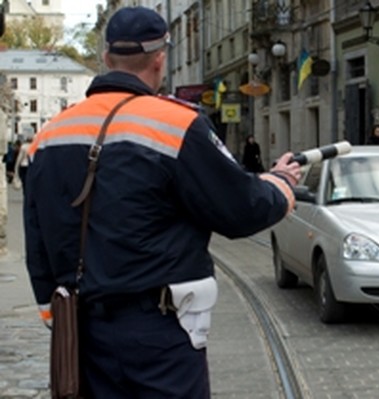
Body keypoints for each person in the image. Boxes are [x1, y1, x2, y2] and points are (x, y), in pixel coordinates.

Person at [23, 6, 301, 399]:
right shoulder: (175, 124)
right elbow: (241, 209)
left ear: (106, 57)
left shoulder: (49, 135)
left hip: (82, 330)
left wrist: (53, 313)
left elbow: (36, 238)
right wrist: (281, 186)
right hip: (159, 331)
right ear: (160, 58)